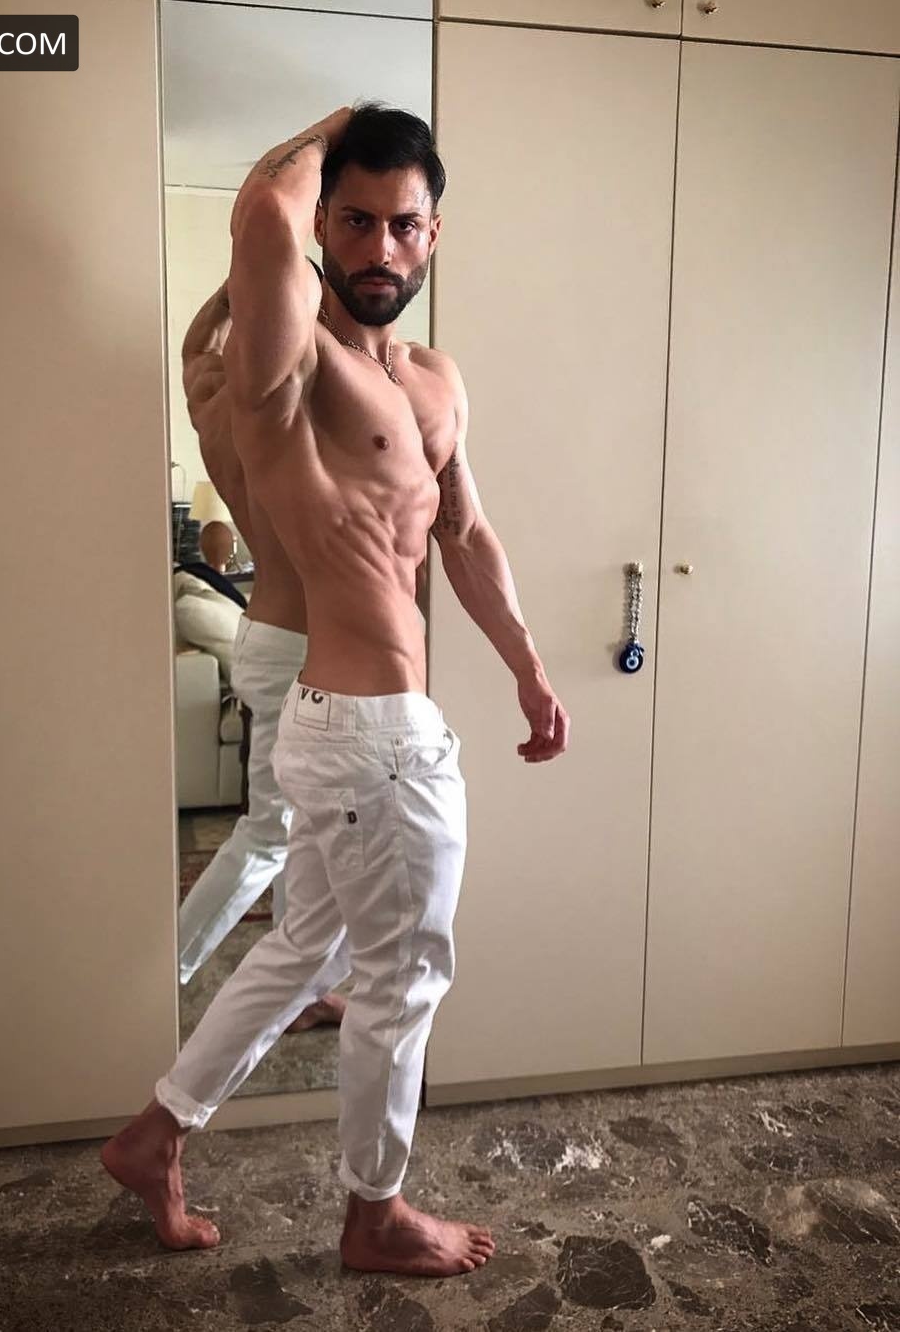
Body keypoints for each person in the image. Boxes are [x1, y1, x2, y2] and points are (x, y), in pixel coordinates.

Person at [102, 103, 569, 1278]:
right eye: (353, 221)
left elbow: (465, 533)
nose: (379, 248)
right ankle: (376, 1211)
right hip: (371, 735)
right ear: (323, 225)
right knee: (402, 981)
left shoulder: (434, 379)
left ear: (434, 233)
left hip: (359, 730)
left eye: (403, 225)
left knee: (308, 946)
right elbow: (263, 212)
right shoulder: (289, 360)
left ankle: (157, 1131)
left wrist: (527, 666)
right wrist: (338, 124)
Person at [174, 277, 346, 1031]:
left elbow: (194, 348)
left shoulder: (217, 397)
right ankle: (171, 966)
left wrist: (231, 292)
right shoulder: (300, 410)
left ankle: (302, 987)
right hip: (299, 647)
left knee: (311, 832)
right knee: (272, 831)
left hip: (268, 636)